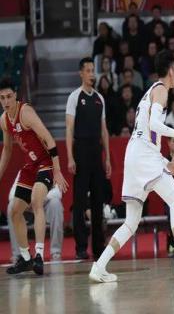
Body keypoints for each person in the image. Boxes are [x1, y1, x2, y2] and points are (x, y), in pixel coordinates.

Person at [89, 50, 174, 282]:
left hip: (136, 155)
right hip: (143, 155)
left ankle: (99, 266)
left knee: (131, 222)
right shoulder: (161, 90)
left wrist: (164, 162)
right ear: (171, 70)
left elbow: (147, 135)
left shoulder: (151, 91)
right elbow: (153, 124)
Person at [0, 78, 68, 275]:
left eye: (9, 97)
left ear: (15, 96)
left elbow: (49, 139)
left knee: (37, 201)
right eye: (2, 98)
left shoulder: (26, 112)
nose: (6, 101)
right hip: (30, 166)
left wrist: (57, 170)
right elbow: (7, 150)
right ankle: (26, 258)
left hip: (45, 162)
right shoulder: (4, 120)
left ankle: (39, 255)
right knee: (14, 211)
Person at [66, 57, 112, 260]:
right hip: (81, 151)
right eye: (88, 70)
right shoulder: (74, 97)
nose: (92, 74)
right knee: (79, 200)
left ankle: (98, 246)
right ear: (81, 73)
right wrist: (70, 157)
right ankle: (81, 247)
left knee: (98, 200)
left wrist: (107, 158)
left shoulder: (99, 98)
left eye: (93, 70)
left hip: (96, 152)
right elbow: (69, 129)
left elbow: (104, 130)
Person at [7, 174, 64, 263]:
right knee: (11, 207)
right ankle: (18, 254)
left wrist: (38, 198)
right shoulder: (24, 172)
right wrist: (28, 199)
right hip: (27, 205)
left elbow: (57, 193)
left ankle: (55, 252)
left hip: (44, 204)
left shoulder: (51, 171)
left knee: (56, 204)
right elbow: (11, 195)